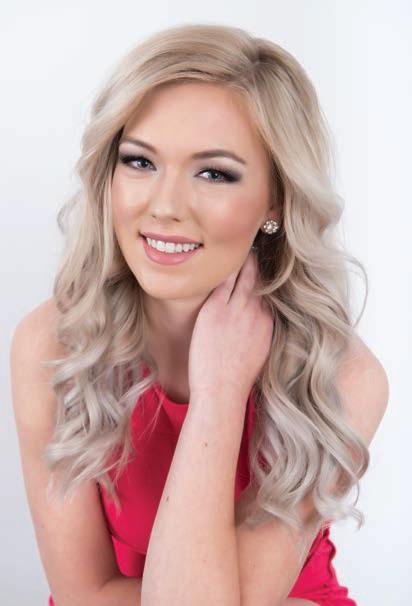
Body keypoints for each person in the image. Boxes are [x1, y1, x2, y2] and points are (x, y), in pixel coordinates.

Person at [10, 23, 389, 606]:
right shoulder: (53, 345)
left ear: (276, 200)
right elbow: (84, 592)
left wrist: (220, 391)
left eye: (214, 173)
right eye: (140, 162)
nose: (164, 206)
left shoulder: (338, 378)